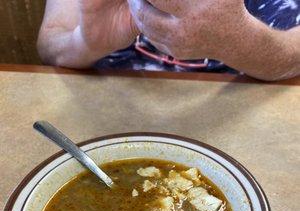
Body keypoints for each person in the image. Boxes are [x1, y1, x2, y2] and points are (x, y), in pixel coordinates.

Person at [37, 0, 300, 80]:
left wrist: (239, 41)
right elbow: (50, 44)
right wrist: (86, 43)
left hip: (247, 105)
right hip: (102, 110)